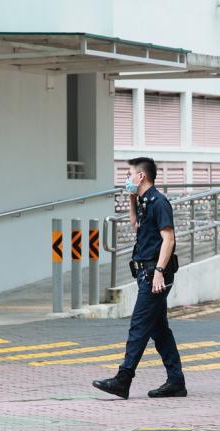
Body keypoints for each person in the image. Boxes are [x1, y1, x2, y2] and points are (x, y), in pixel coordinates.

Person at [92, 157, 186, 399]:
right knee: (159, 329)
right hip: (145, 272)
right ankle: (176, 381)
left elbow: (169, 239)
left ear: (141, 176)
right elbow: (135, 224)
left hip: (155, 274)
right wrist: (132, 198)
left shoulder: (159, 202)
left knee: (139, 325)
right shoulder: (144, 201)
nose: (127, 178)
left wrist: (159, 273)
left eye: (129, 174)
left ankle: (123, 379)